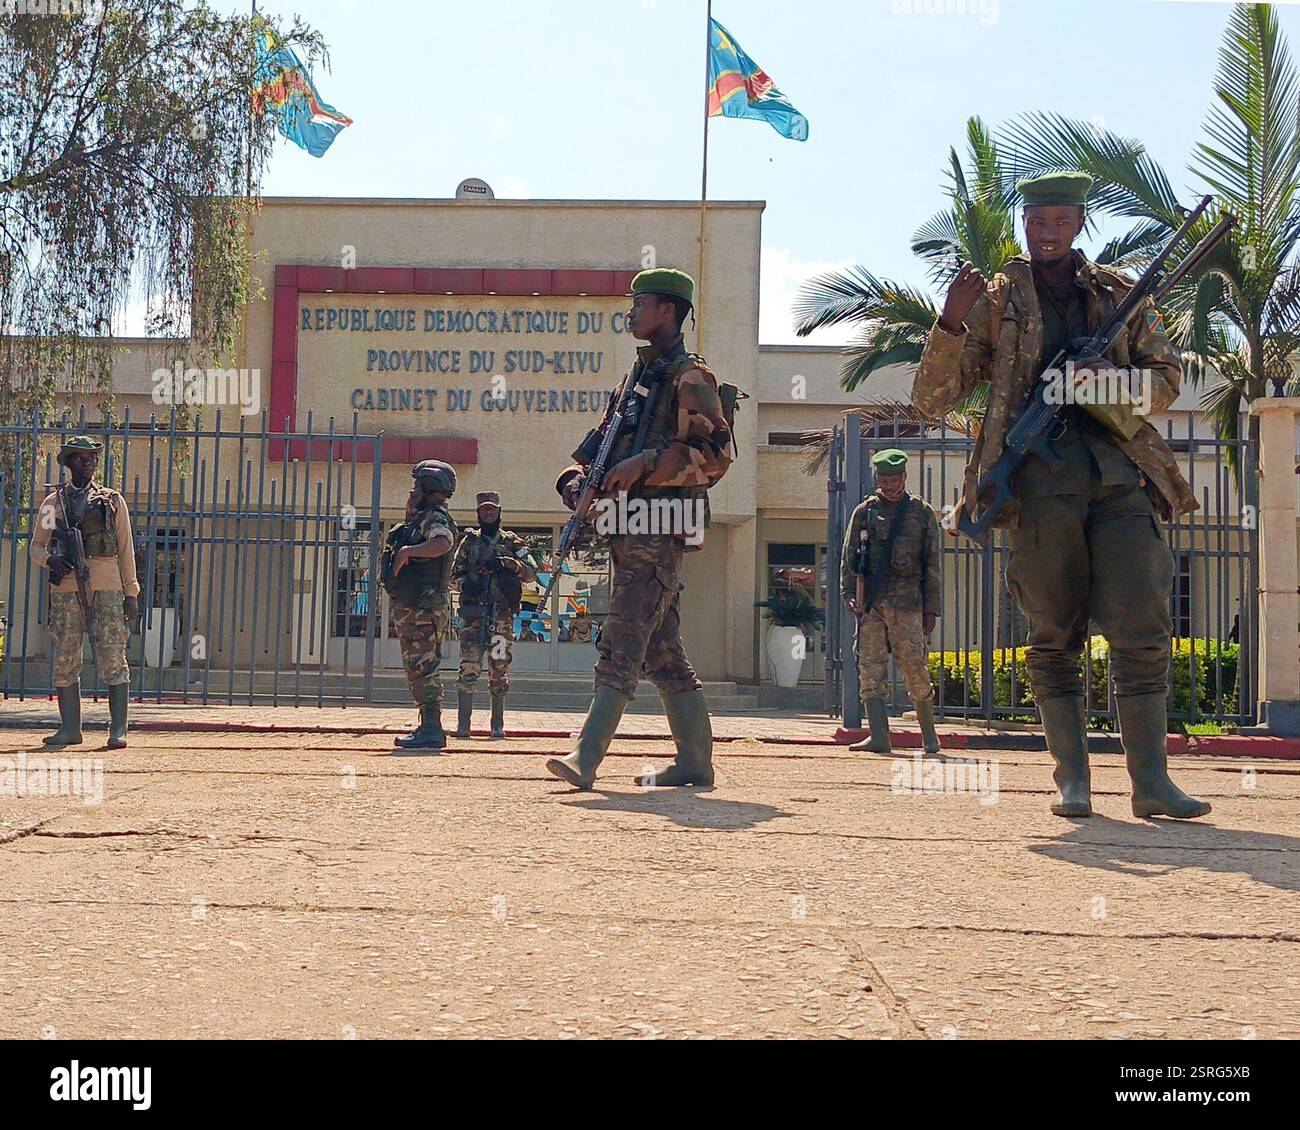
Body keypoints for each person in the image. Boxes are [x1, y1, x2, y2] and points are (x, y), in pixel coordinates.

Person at [913, 171, 1210, 819]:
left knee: (1140, 622)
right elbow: (936, 398)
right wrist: (950, 325)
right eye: (1036, 222)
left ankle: (1151, 783)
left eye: (1059, 222)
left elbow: (1165, 381)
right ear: (1025, 223)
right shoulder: (997, 301)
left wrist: (1110, 381)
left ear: (1080, 223)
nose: (1046, 234)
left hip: (1121, 473)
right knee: (1053, 632)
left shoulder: (1119, 294)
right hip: (1040, 485)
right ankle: (1072, 781)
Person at [544, 268, 733, 789]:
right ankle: (695, 762)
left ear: (668, 310)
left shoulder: (691, 376)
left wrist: (647, 464)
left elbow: (718, 455)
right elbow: (600, 453)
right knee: (664, 653)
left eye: (640, 302)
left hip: (659, 526)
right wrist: (577, 485)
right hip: (625, 526)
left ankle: (586, 756)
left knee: (624, 636)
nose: (631, 312)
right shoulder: (636, 379)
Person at [30, 436, 140, 749]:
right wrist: (51, 559)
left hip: (106, 587)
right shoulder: (53, 503)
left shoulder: (112, 501)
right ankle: (70, 729)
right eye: (80, 458)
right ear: (68, 463)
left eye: (92, 458)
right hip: (65, 589)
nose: (88, 463)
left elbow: (125, 549)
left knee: (112, 655)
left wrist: (131, 592)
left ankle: (118, 729)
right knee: (66, 656)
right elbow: (37, 545)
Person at [840, 449, 942, 756]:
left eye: (894, 478)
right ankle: (879, 736)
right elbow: (849, 557)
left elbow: (932, 562)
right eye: (883, 478)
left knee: (914, 665)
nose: (888, 484)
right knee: (870, 667)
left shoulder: (921, 513)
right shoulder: (864, 512)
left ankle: (929, 736)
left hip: (908, 602)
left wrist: (931, 607)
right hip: (872, 602)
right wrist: (848, 592)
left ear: (904, 478)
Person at [450, 491, 537, 740]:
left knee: (499, 667)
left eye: (492, 509)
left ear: (499, 511)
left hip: (501, 619)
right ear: (478, 513)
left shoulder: (512, 542)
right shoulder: (469, 543)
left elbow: (531, 572)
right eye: (484, 510)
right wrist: (468, 585)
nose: (488, 513)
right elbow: (454, 576)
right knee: (468, 667)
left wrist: (507, 564)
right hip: (474, 617)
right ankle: (463, 725)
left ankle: (497, 725)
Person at [384, 460, 458, 751]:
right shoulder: (419, 518)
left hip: (425, 606)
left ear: (428, 488)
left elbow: (442, 543)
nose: (412, 490)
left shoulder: (435, 517)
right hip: (414, 604)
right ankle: (427, 726)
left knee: (424, 665)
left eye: (417, 485)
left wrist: (408, 552)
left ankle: (432, 729)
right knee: (416, 666)